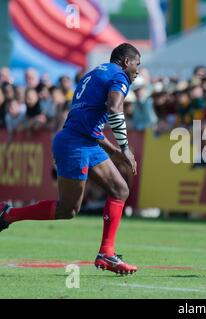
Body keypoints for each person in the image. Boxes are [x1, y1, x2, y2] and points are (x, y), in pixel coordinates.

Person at [0, 43, 140, 275]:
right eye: (137, 64)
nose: (137, 70)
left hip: (83, 140)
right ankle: (9, 214)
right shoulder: (119, 76)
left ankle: (106, 253)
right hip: (75, 143)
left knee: (120, 189)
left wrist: (114, 151)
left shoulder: (95, 73)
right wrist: (124, 147)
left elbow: (86, 124)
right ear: (126, 62)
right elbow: (115, 108)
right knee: (68, 210)